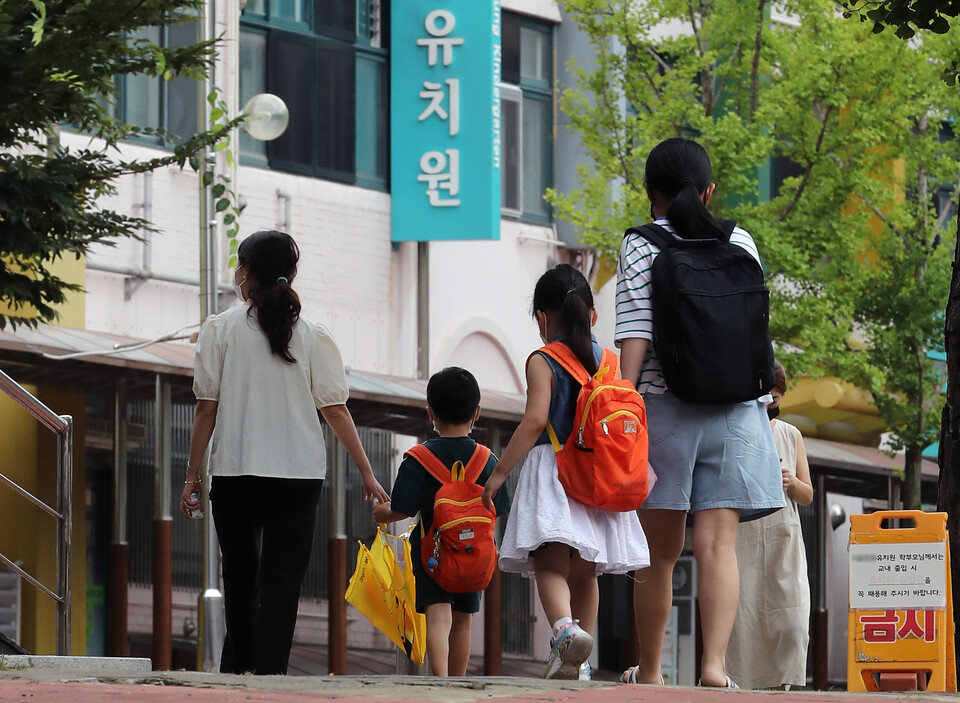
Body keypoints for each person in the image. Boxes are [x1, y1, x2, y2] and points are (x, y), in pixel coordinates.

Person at [180, 229, 390, 675]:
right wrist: (367, 473)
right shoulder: (312, 335)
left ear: (247, 273)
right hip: (298, 475)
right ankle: (271, 675)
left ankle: (235, 674)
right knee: (281, 583)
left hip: (235, 471)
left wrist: (192, 475)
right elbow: (336, 411)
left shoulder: (222, 329)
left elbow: (205, 410)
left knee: (239, 578)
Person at [615, 138, 784, 687]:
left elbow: (636, 336)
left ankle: (652, 672)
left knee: (657, 553)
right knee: (718, 547)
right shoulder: (741, 241)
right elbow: (755, 332)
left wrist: (621, 408)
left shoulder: (641, 245)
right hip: (738, 409)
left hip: (666, 410)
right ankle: (713, 667)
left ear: (650, 192)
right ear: (709, 191)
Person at [482, 264, 650, 681]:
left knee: (550, 564)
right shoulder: (612, 363)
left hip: (554, 467)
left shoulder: (543, 359)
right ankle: (583, 659)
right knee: (585, 569)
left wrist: (500, 473)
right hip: (600, 472)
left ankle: (563, 632)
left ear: (542, 317)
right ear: (592, 316)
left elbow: (536, 420)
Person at [373, 367, 510, 676]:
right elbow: (499, 507)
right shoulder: (488, 460)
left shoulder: (418, 459)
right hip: (474, 555)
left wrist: (382, 513)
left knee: (438, 617)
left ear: (430, 413)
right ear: (477, 412)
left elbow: (401, 509)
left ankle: (441, 682)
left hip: (431, 554)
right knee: (463, 620)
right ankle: (459, 684)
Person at [726, 361, 813, 689]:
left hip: (783, 537)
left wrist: (791, 482)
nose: (772, 403)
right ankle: (743, 687)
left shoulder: (791, 434)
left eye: (777, 397)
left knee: (792, 618)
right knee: (744, 620)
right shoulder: (737, 427)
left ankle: (784, 686)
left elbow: (808, 495)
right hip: (743, 535)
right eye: (768, 396)